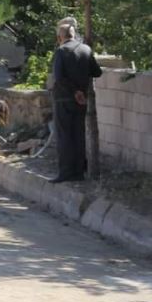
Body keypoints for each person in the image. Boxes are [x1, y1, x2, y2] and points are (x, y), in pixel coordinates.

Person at [51, 23, 102, 183]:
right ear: (74, 34)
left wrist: (75, 91)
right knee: (79, 135)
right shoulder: (86, 49)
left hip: (64, 99)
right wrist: (81, 88)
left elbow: (59, 77)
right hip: (81, 101)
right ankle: (79, 172)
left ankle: (66, 173)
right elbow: (97, 72)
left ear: (60, 37)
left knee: (65, 136)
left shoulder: (61, 51)